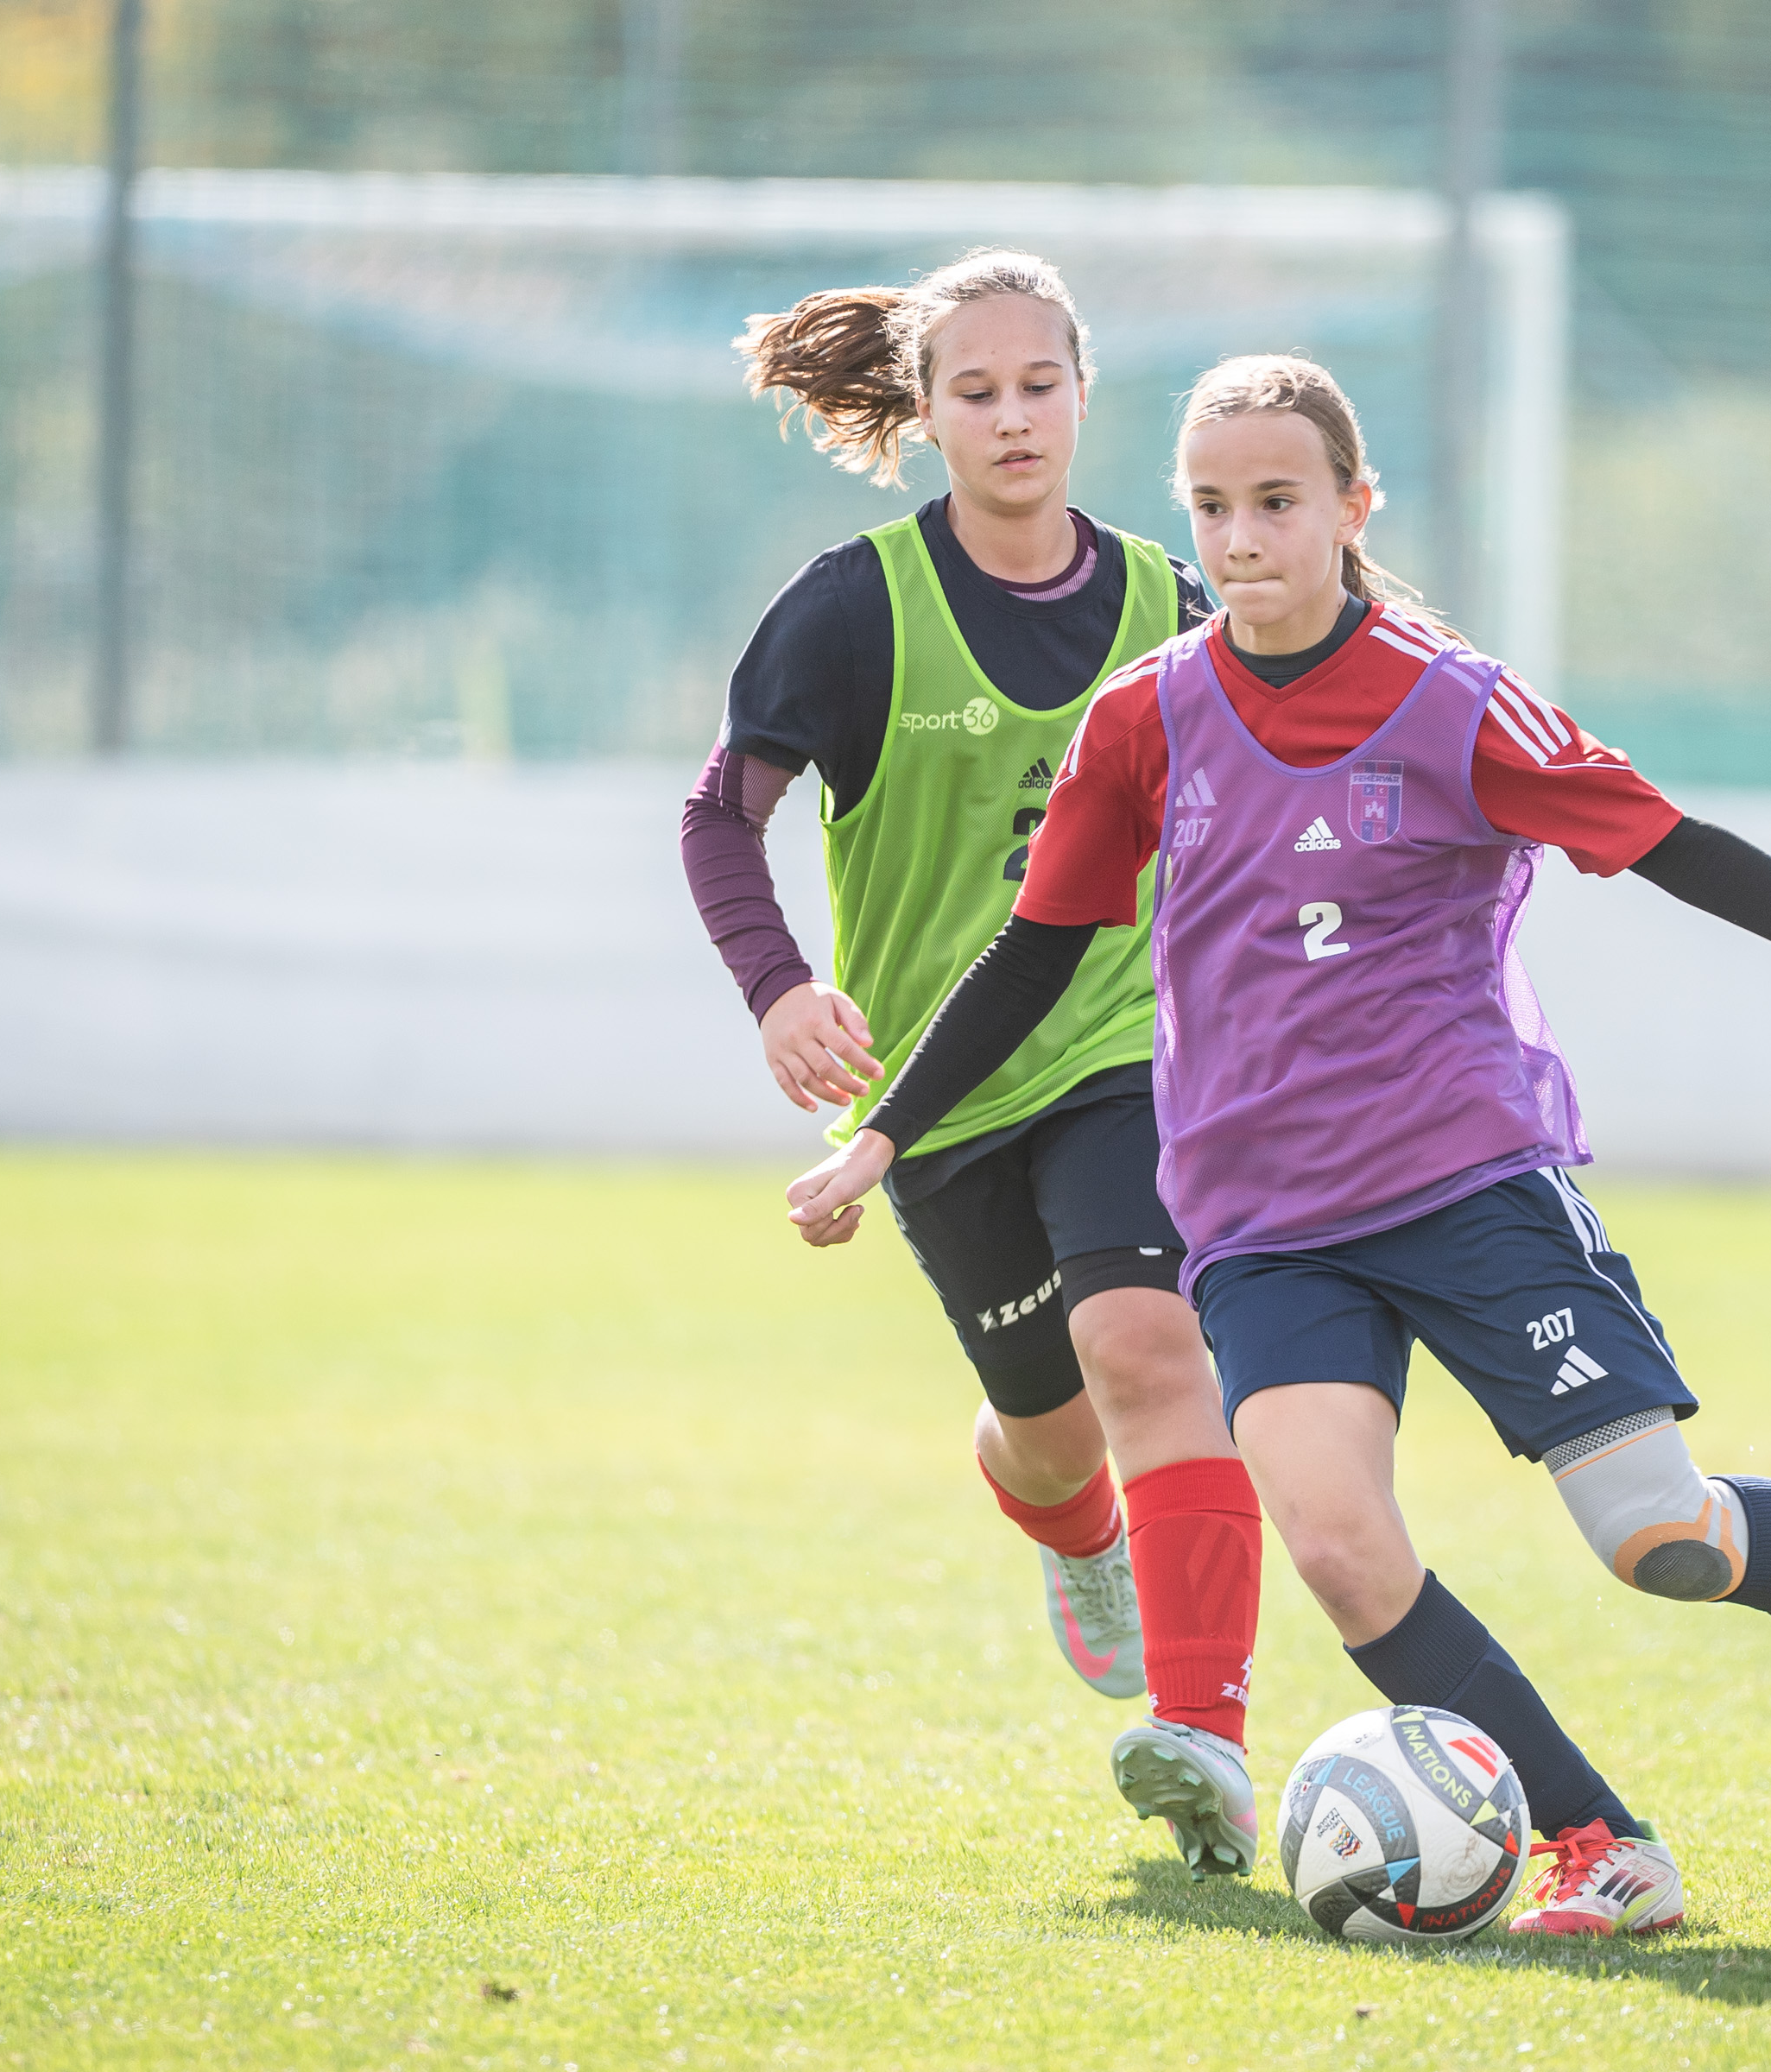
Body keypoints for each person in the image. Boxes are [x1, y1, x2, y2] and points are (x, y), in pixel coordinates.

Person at [786, 353, 1771, 1937]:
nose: (1241, 539)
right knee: (1342, 1551)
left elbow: (1676, 846)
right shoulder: (1143, 717)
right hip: (1262, 1229)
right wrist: (884, 1134)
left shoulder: (1450, 702)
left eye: (1278, 501)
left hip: (1467, 1188)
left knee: (1662, 1541)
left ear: (1353, 507)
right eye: (1211, 507)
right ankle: (1602, 1845)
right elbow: (1032, 951)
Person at [681, 253, 1263, 1878]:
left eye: (1040, 385)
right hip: (937, 1089)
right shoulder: (851, 607)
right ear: (926, 415)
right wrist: (780, 989)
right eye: (977, 391)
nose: (1014, 418)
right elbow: (720, 817)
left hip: (1124, 1047)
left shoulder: (1171, 602)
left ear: (1085, 395)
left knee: (1151, 1347)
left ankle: (1206, 1733)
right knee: (1054, 1436)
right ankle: (1076, 1536)